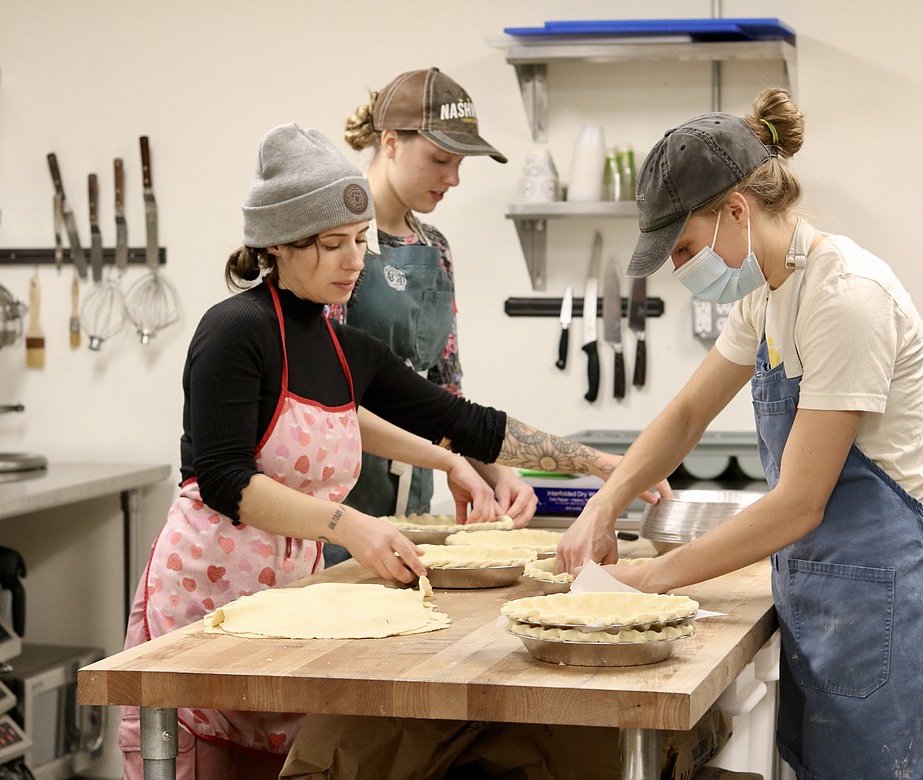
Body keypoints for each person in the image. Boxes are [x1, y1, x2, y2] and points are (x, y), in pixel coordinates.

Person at [119, 123, 667, 780]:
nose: (354, 261)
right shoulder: (234, 332)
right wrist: (350, 523)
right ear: (278, 245)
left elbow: (459, 419)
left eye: (357, 242)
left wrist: (604, 465)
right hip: (207, 594)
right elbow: (224, 479)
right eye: (332, 245)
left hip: (287, 595)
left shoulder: (336, 342)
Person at [556, 88, 923, 780]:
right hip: (817, 596)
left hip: (877, 607)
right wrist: (604, 502)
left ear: (736, 212)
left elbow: (801, 502)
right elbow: (687, 413)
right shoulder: (766, 293)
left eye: (683, 248)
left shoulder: (846, 299)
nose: (681, 271)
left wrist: (651, 580)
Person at [333, 67, 539, 530]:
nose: (454, 178)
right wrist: (446, 460)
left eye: (460, 164)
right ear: (390, 142)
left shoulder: (434, 248)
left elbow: (443, 392)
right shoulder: (337, 241)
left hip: (414, 492)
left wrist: (496, 471)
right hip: (339, 493)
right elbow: (325, 396)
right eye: (440, 159)